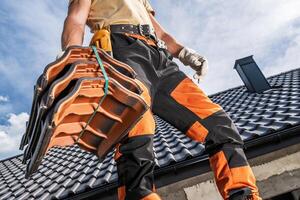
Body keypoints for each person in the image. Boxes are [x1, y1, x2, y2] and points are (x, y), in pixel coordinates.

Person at [61, 0, 262, 199]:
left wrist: (185, 53)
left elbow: (161, 34)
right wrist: (72, 61)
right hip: (121, 50)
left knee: (218, 124)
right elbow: (76, 20)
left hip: (159, 58)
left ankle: (243, 195)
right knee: (137, 129)